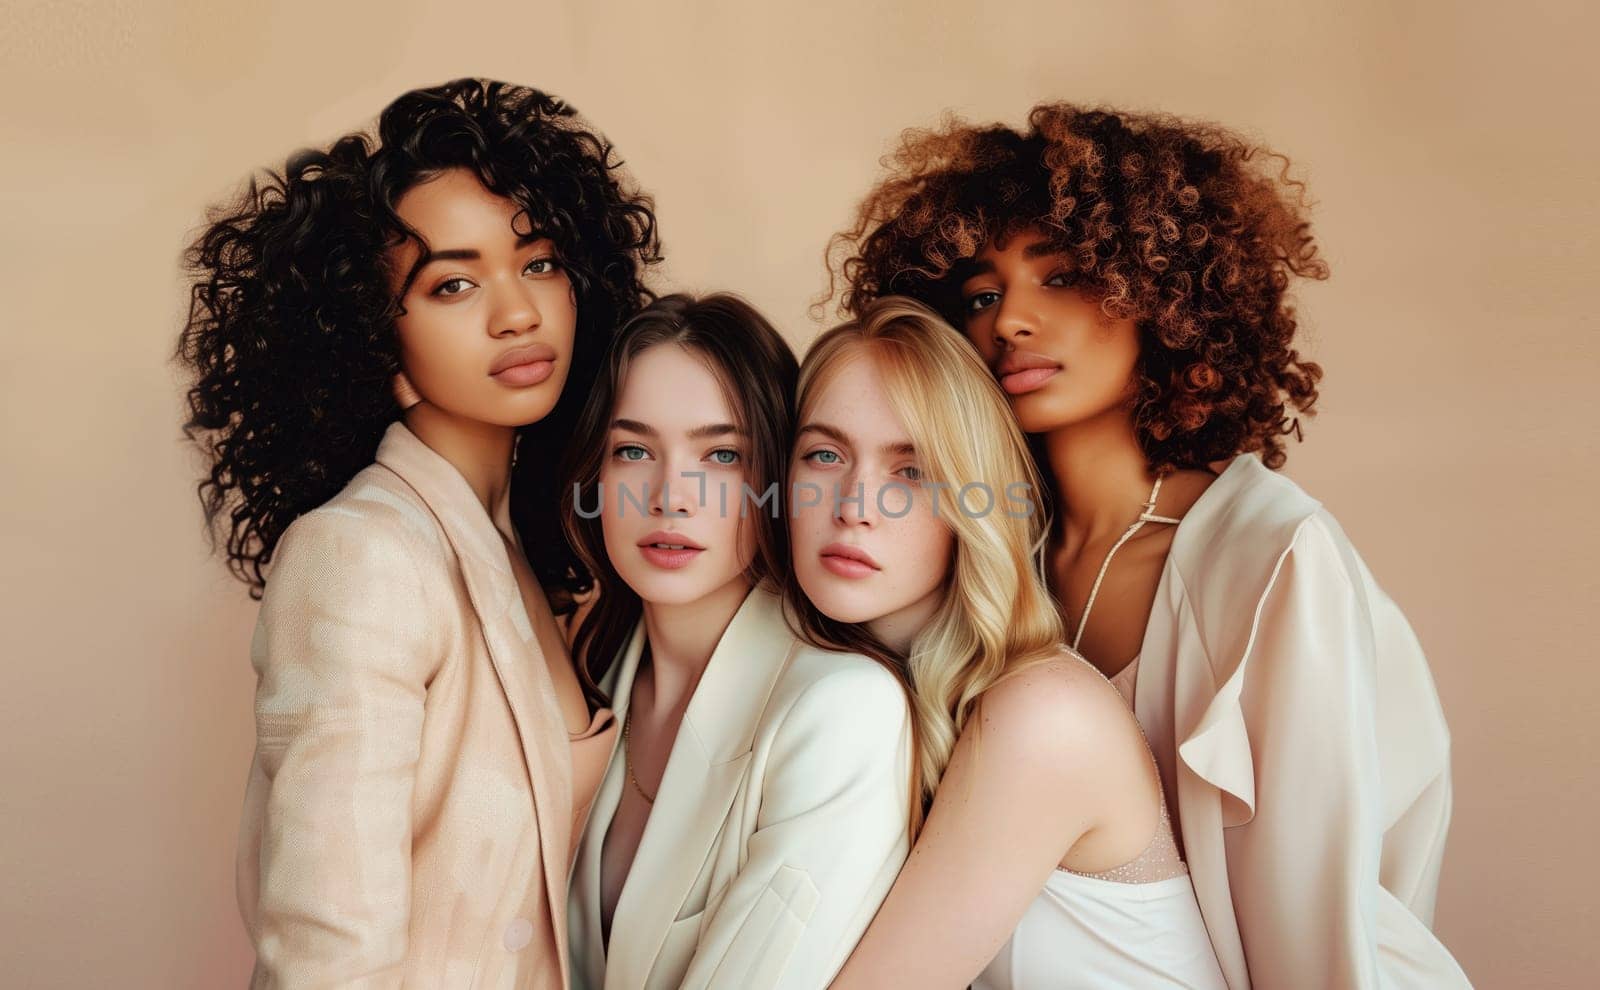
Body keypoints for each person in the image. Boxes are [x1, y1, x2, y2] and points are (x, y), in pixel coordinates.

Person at [828, 103, 1469, 988]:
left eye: (1059, 278)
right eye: (981, 295)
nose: (1010, 320)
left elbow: (1314, 910)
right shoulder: (985, 546)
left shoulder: (1272, 558)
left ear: (1164, 297)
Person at [177, 78, 660, 987]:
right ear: (371, 337)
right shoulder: (362, 554)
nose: (516, 312)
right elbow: (326, 952)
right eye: (454, 283)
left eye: (541, 261)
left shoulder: (530, 549)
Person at [786, 297, 1226, 988]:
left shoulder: (1043, 714)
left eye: (912, 470)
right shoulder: (859, 698)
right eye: (823, 454)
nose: (852, 505)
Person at [561, 294, 914, 989]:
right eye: (632, 450)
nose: (671, 497)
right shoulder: (585, 672)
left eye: (722, 455)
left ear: (777, 483)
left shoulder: (841, 712)